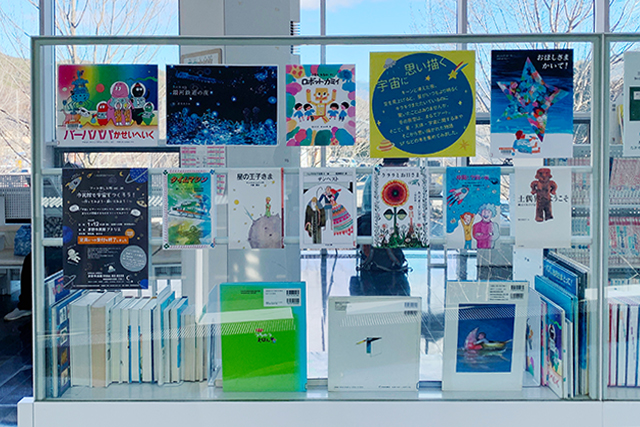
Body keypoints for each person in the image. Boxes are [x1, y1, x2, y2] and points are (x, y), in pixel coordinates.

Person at [350, 158, 411, 297]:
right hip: (378, 222)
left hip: (372, 222)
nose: (402, 168)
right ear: (390, 163)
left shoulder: (375, 175)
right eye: (400, 164)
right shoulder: (380, 177)